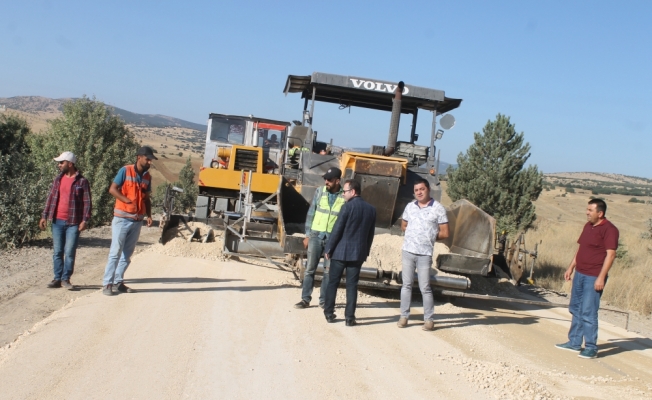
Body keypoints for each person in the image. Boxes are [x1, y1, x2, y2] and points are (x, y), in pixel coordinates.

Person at [555, 199, 618, 359]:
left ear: (600, 213)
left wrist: (601, 277)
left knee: (588, 312)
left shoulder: (610, 230)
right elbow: (581, 249)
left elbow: (611, 255)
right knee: (576, 308)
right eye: (587, 209)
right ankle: (574, 343)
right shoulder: (588, 226)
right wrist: (571, 267)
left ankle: (591, 347)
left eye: (590, 210)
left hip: (594, 276)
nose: (587, 213)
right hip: (580, 274)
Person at [102, 146, 156, 296]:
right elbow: (112, 189)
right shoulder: (125, 170)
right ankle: (107, 283)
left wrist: (149, 215)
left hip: (137, 220)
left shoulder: (147, 177)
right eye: (148, 159)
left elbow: (146, 198)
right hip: (122, 219)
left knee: (127, 254)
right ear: (139, 157)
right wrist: (126, 200)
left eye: (151, 160)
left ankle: (118, 281)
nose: (150, 162)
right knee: (115, 252)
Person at [397, 178, 449, 331]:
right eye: (416, 190)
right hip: (408, 251)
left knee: (424, 287)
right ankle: (404, 316)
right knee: (406, 285)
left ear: (428, 190)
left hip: (425, 254)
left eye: (422, 189)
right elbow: (403, 226)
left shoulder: (438, 209)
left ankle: (429, 319)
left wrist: (429, 237)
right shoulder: (410, 207)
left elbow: (445, 232)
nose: (419, 192)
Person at [322, 179, 376, 326]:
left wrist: (329, 248)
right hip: (358, 254)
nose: (343, 194)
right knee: (352, 285)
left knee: (333, 282)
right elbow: (370, 235)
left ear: (353, 192)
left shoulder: (347, 207)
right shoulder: (371, 209)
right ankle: (350, 317)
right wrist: (365, 251)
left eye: (344, 191)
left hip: (340, 252)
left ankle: (329, 313)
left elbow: (337, 229)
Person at [39, 151, 92, 290]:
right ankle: (57, 278)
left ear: (70, 163)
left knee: (69, 251)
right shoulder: (58, 179)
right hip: (57, 221)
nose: (59, 165)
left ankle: (66, 279)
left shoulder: (82, 181)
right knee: (57, 251)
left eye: (61, 162)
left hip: (73, 223)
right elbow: (50, 198)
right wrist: (44, 216)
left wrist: (85, 220)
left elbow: (87, 203)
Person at [294, 167, 345, 309]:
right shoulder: (320, 191)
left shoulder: (343, 196)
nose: (326, 181)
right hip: (316, 236)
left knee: (328, 272)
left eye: (329, 179)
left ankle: (323, 301)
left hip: (333, 239)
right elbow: (311, 213)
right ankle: (305, 299)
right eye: (325, 179)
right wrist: (308, 235)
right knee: (310, 268)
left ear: (337, 181)